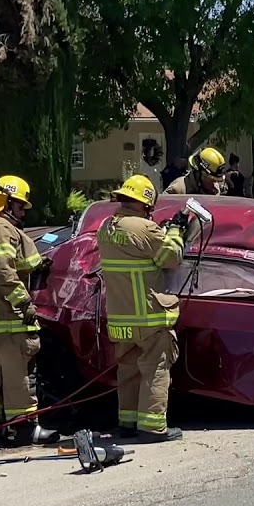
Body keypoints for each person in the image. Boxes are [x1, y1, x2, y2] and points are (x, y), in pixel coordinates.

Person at [96, 175, 191, 442]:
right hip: (148, 317)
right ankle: (152, 427)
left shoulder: (106, 227)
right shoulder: (145, 229)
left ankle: (128, 423)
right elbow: (171, 258)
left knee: (128, 370)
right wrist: (176, 231)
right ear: (145, 204)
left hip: (120, 318)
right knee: (156, 368)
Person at [0, 175, 57, 446]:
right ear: (6, 202)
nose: (23, 212)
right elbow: (1, 269)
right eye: (19, 206)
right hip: (7, 318)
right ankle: (25, 428)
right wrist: (23, 302)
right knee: (18, 375)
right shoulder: (0, 227)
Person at [164, 146, 229, 195]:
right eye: (212, 180)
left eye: (217, 180)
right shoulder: (177, 189)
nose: (215, 184)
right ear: (200, 173)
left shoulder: (217, 188)